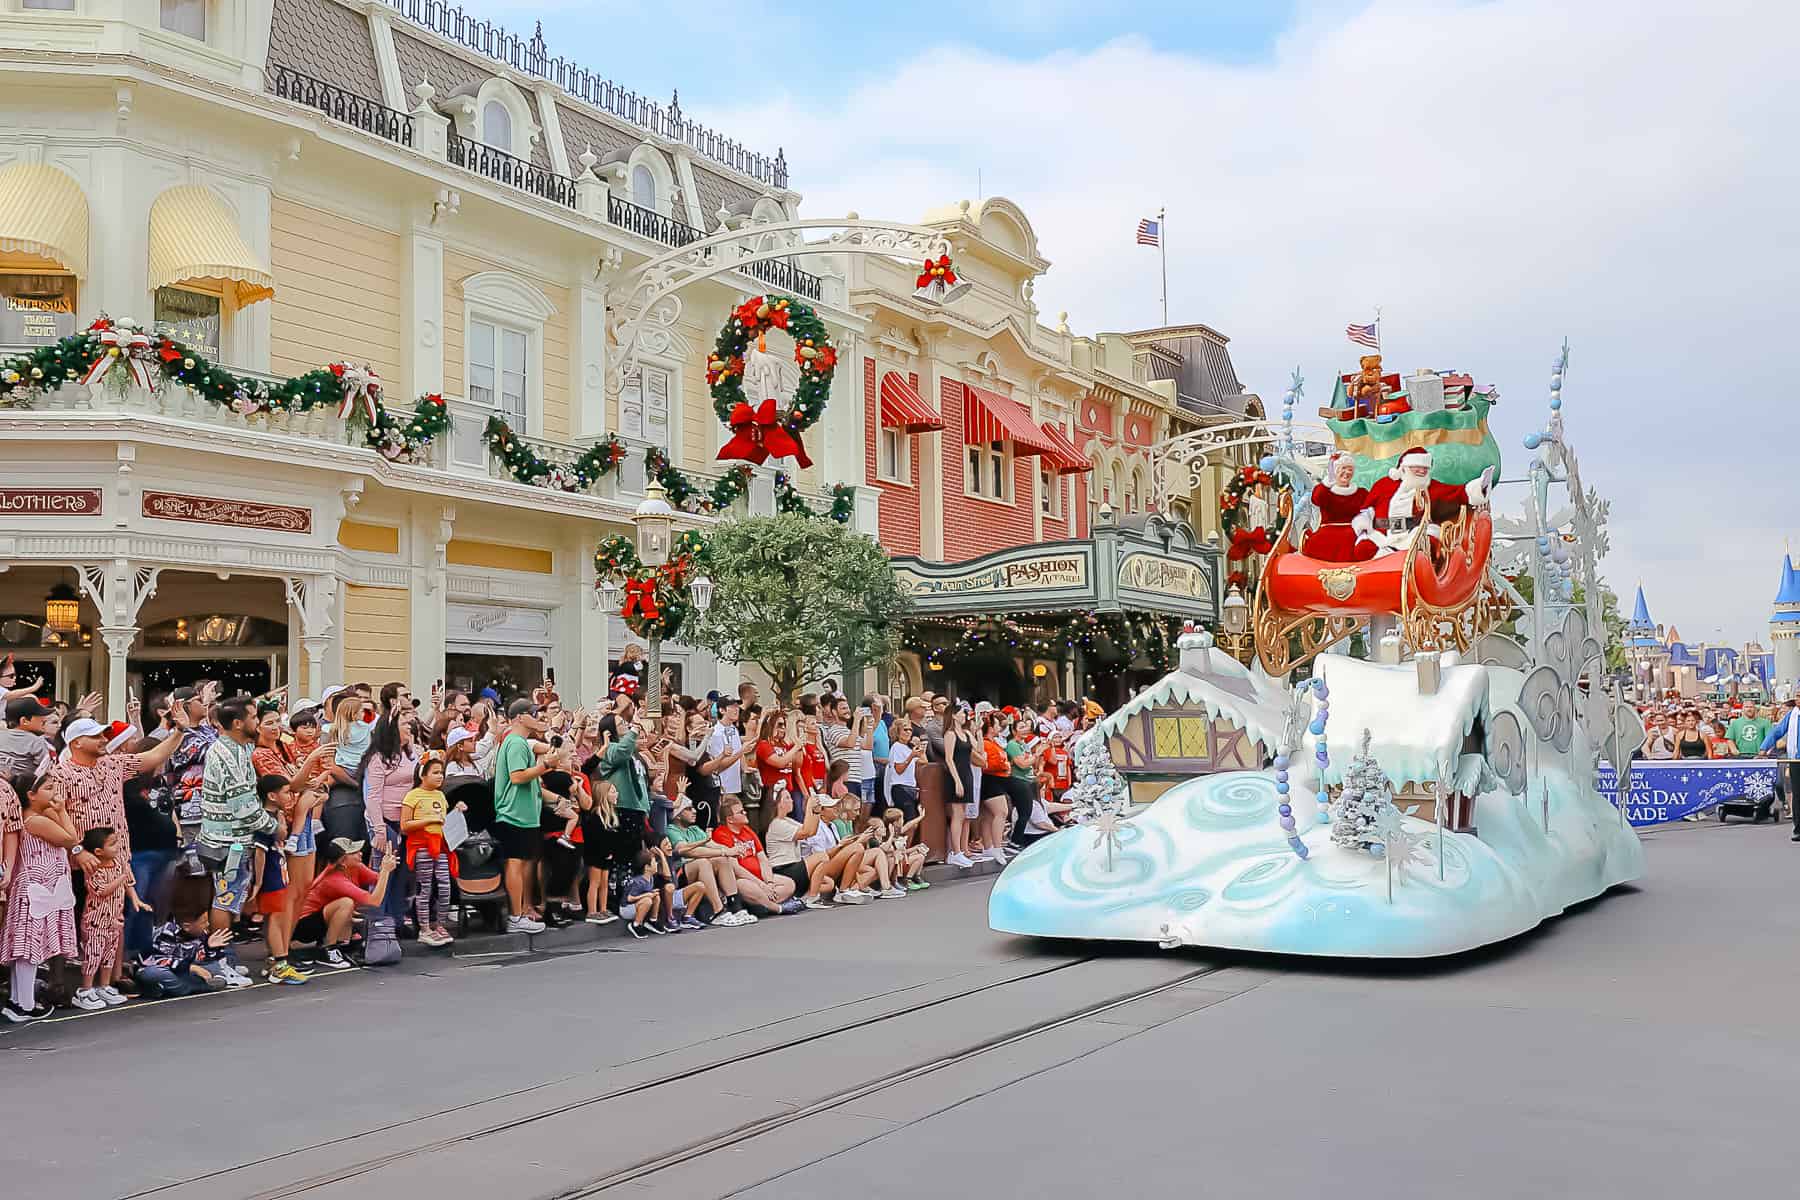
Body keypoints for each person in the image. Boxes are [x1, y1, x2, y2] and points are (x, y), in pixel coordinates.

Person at [197, 696, 281, 934]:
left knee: (230, 899)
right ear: (237, 723)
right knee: (225, 900)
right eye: (254, 717)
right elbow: (243, 808)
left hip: (233, 840)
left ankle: (225, 956)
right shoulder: (227, 754)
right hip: (228, 844)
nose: (257, 722)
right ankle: (219, 958)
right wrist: (274, 827)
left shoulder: (240, 748)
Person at [1, 772, 79, 1022]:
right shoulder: (34, 820)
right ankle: (23, 1004)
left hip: (40, 889)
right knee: (28, 947)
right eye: (48, 788)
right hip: (36, 889)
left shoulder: (37, 817)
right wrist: (63, 811)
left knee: (26, 946)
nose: (54, 793)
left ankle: (19, 1000)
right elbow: (71, 839)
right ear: (30, 796)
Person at [493, 699, 560, 934]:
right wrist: (546, 766)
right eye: (534, 713)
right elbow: (517, 777)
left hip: (524, 815)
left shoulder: (519, 742)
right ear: (520, 717)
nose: (538, 717)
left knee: (522, 865)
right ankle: (515, 916)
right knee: (515, 863)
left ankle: (520, 912)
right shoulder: (515, 742)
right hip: (513, 814)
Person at [1353, 447, 1493, 556]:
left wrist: (1480, 486)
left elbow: (1459, 493)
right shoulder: (1383, 484)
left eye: (1425, 468)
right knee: (1363, 549)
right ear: (1405, 467)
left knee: (1427, 541)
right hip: (1381, 535)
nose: (1421, 470)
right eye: (1417, 467)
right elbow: (1368, 510)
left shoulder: (1431, 487)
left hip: (1413, 534)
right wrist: (1363, 522)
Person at [294, 837, 400, 968]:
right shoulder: (334, 879)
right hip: (304, 927)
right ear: (343, 861)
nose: (360, 853)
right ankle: (328, 949)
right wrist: (385, 870)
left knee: (354, 909)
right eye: (354, 852)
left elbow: (378, 880)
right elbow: (375, 901)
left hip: (321, 918)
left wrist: (387, 866)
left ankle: (341, 944)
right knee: (346, 903)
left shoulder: (356, 867)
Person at [402, 755, 464, 947]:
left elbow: (444, 821)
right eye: (435, 772)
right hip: (422, 846)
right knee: (425, 888)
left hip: (441, 846)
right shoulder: (412, 796)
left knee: (445, 886)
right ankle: (424, 928)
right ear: (423, 775)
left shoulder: (440, 795)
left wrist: (457, 810)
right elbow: (405, 825)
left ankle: (440, 924)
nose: (440, 776)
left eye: (441, 772)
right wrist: (428, 821)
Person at [666, 799, 755, 926]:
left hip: (699, 871)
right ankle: (718, 911)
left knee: (722, 860)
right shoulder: (671, 830)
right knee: (703, 861)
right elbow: (689, 852)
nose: (694, 811)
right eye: (689, 809)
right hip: (680, 875)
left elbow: (712, 845)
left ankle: (736, 907)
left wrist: (731, 850)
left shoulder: (695, 829)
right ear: (678, 815)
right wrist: (724, 851)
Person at [712, 799, 800, 915]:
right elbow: (736, 868)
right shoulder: (721, 834)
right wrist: (761, 885)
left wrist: (769, 882)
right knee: (744, 885)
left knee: (789, 884)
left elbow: (763, 859)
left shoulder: (747, 830)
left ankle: (762, 905)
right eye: (741, 812)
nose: (745, 813)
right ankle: (776, 907)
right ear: (730, 819)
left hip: (761, 877)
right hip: (743, 880)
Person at [762, 787, 838, 909]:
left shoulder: (787, 820)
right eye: (787, 798)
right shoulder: (776, 824)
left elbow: (811, 831)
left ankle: (804, 897)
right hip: (783, 869)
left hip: (794, 867)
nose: (792, 800)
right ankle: (812, 898)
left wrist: (816, 811)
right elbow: (806, 832)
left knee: (829, 883)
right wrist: (809, 806)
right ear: (778, 804)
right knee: (822, 857)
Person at [138, 911, 242, 997]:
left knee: (215, 963)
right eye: (203, 922)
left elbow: (200, 957)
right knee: (151, 972)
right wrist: (192, 967)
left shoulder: (200, 932)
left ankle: (217, 976)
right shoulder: (167, 933)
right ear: (187, 926)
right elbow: (160, 960)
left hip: (187, 969)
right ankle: (198, 986)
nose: (208, 925)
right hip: (170, 968)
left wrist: (209, 947)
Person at [1302, 452, 1379, 562]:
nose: (1347, 472)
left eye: (1350, 469)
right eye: (1343, 468)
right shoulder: (1325, 492)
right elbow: (1316, 499)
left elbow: (1371, 511)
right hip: (1327, 533)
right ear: (1335, 470)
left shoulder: (1361, 493)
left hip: (1354, 532)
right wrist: (1329, 480)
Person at [943, 705, 979, 868]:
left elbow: (977, 748)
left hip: (967, 773)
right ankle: (955, 852)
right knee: (957, 814)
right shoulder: (950, 734)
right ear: (954, 716)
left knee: (963, 814)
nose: (964, 716)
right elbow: (949, 759)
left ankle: (957, 851)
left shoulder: (966, 733)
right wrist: (956, 780)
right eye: (961, 713)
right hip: (955, 775)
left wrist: (976, 731)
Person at [887, 718, 922, 822]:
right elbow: (899, 770)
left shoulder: (908, 748)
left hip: (910, 788)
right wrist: (911, 756)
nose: (908, 732)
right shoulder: (896, 747)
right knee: (908, 822)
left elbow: (923, 761)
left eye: (910, 730)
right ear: (898, 732)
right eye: (905, 729)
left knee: (913, 822)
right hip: (901, 788)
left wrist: (918, 746)